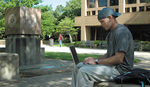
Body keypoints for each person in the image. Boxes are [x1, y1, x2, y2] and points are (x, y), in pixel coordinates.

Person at [71, 7, 134, 87]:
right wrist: (93, 60)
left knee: (84, 71)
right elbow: (108, 54)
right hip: (112, 67)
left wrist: (97, 62)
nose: (101, 25)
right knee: (78, 66)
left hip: (120, 71)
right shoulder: (111, 34)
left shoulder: (121, 32)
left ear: (110, 18)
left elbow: (119, 59)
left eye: (102, 21)